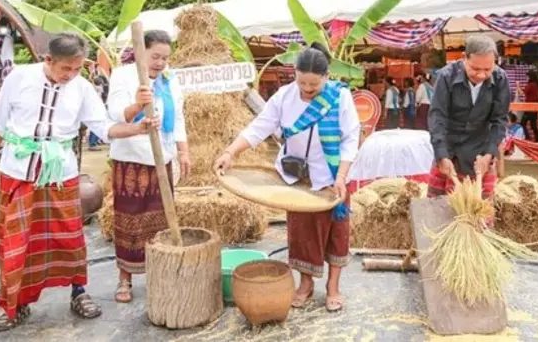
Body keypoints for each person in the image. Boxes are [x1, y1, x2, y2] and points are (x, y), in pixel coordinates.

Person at [0, 33, 161, 332]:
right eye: (66, 69)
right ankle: (17, 305)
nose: (71, 75)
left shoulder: (83, 88)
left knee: (69, 236)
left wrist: (137, 127)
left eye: (77, 69)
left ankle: (78, 291)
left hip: (60, 174)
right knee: (16, 242)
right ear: (48, 60)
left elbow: (103, 126)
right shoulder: (18, 78)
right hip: (18, 172)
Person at [213, 43, 360, 313]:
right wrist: (230, 152)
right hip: (297, 177)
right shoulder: (284, 96)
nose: (306, 89)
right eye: (301, 82)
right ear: (295, 74)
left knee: (336, 233)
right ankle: (305, 285)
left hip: (332, 175)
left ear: (327, 77)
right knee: (302, 232)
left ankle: (333, 287)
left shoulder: (340, 98)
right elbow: (260, 127)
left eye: (313, 85)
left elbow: (351, 139)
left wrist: (341, 176)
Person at [107, 30, 190, 303]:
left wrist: (183, 152)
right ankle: (125, 279)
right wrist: (137, 104)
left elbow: (177, 117)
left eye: (165, 58)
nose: (160, 63)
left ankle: (161, 274)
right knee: (129, 221)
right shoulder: (123, 75)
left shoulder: (170, 79)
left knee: (162, 221)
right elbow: (116, 115)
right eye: (155, 56)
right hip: (131, 160)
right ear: (141, 52)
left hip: (161, 159)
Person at [427, 34, 510, 199]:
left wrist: (489, 155)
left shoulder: (500, 79)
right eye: (475, 69)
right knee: (437, 210)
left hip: (481, 152)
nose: (481, 75)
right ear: (464, 58)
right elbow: (438, 118)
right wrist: (442, 155)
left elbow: (499, 120)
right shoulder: (446, 77)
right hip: (450, 151)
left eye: (487, 69)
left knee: (482, 214)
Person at [521, 70, 538, 142]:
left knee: (523, 123)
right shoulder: (537, 84)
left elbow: (522, 93)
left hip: (529, 107)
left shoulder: (531, 85)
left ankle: (527, 138)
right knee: (533, 125)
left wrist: (517, 86)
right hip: (535, 107)